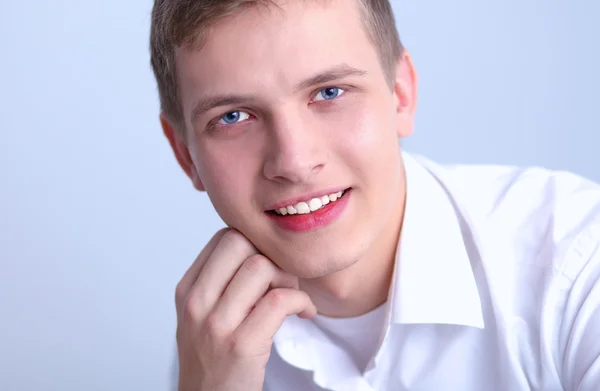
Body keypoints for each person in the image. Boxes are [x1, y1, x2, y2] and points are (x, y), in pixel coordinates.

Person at [149, 0, 600, 390]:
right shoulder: (217, 347)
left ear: (401, 95)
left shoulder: (575, 261)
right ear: (185, 155)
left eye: (330, 92)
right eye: (234, 117)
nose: (294, 161)